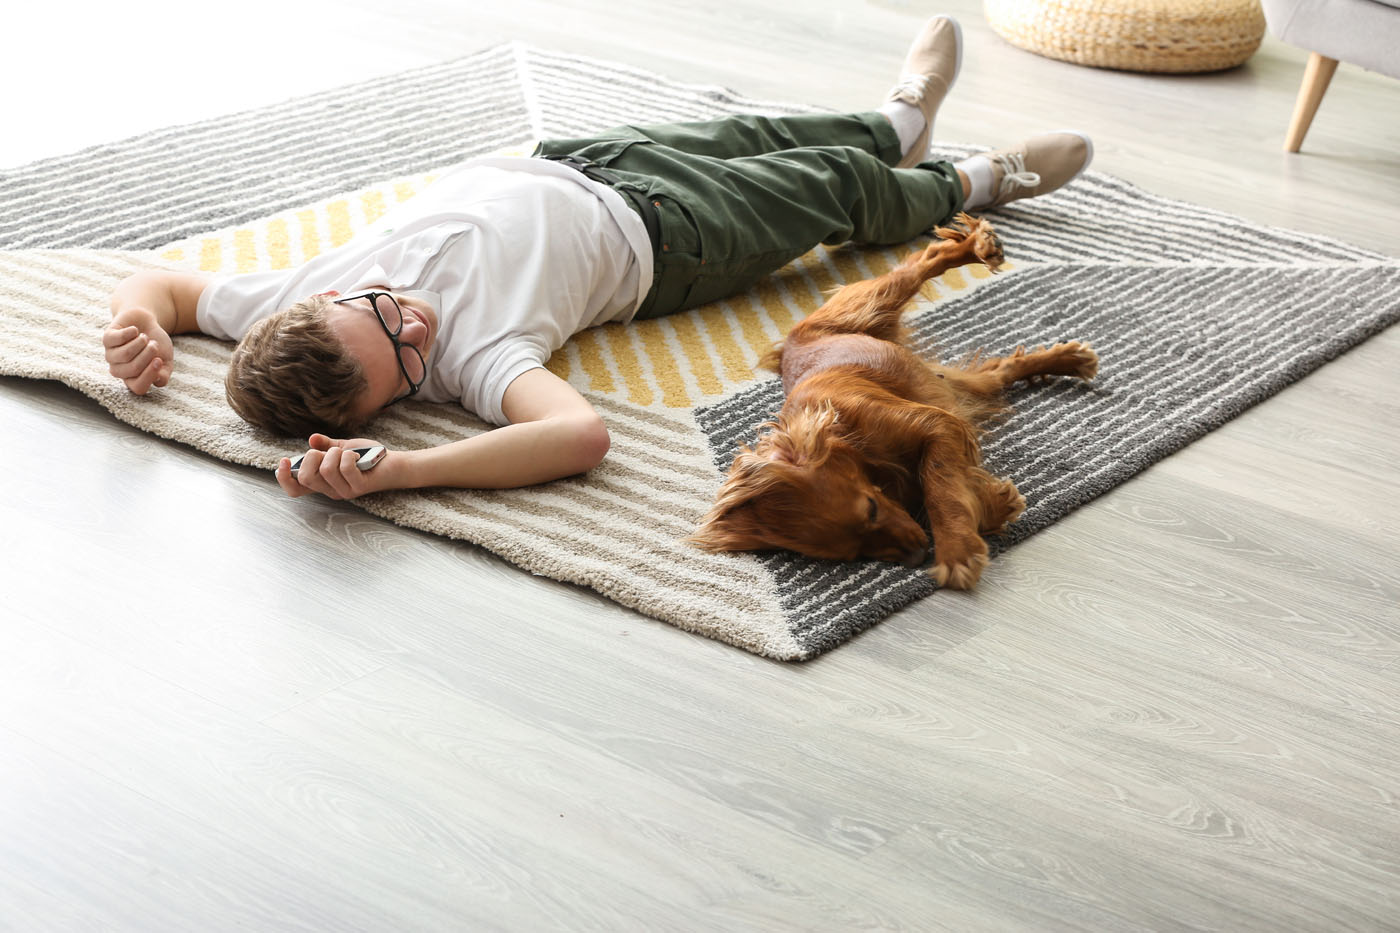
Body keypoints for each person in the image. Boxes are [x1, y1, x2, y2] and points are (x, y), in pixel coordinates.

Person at [101, 15, 1092, 502]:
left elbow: (171, 287)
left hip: (576, 162)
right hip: (670, 240)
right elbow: (577, 438)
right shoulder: (476, 361)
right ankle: (969, 184)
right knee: (824, 193)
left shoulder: (282, 304)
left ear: (323, 299)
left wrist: (140, 321)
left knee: (754, 134)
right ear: (384, 405)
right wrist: (405, 471)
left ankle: (892, 120)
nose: (415, 324)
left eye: (381, 307)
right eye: (400, 359)